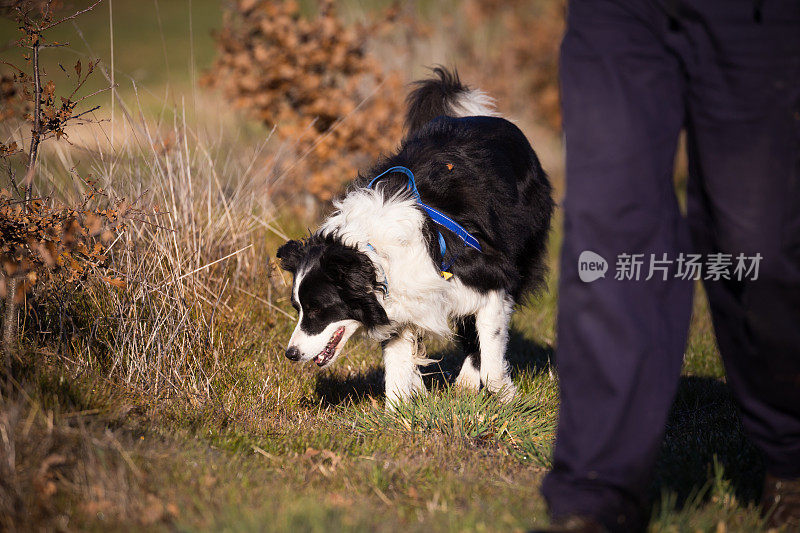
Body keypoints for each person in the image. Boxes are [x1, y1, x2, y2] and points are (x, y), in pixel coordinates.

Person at [538, 0, 800, 531]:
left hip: (757, 19)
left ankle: (789, 447)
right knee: (610, 242)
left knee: (757, 246)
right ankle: (596, 492)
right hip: (618, 15)